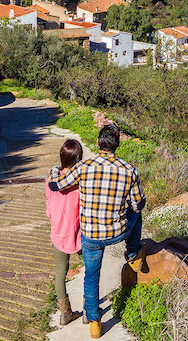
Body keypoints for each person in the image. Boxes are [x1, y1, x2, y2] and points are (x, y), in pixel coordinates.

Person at [48, 124, 145, 339]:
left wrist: (55, 170)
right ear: (116, 145)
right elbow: (138, 206)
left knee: (91, 276)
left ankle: (94, 323)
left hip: (90, 235)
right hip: (117, 232)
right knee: (136, 216)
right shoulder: (129, 170)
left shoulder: (84, 167)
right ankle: (133, 254)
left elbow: (57, 186)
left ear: (99, 143)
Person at [45, 139, 84, 325]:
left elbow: (48, 206)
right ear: (78, 159)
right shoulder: (79, 183)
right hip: (79, 233)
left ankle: (65, 314)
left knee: (60, 273)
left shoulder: (51, 178)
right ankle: (89, 311)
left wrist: (54, 222)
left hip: (59, 233)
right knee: (91, 270)